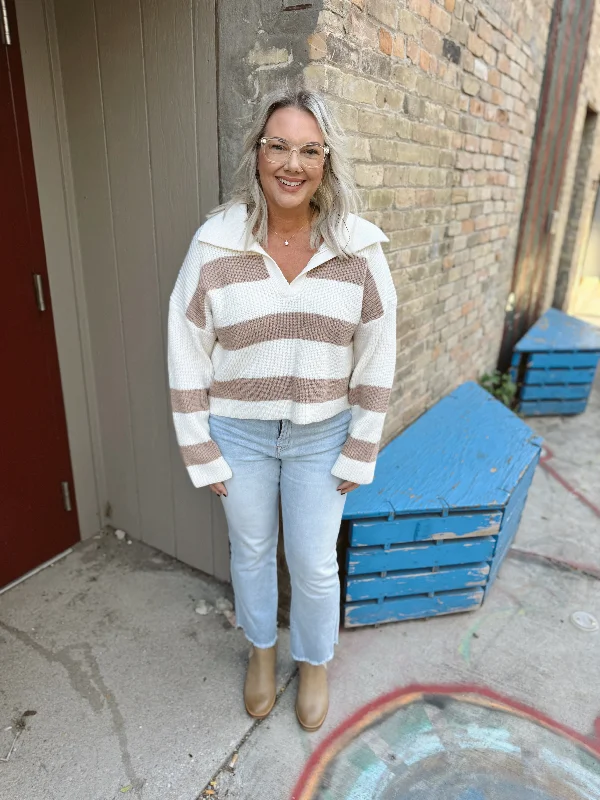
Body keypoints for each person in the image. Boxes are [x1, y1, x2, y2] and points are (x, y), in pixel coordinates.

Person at [168, 87, 397, 732]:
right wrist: (200, 447)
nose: (291, 164)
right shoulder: (216, 246)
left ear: (327, 161)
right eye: (279, 146)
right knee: (250, 553)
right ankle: (262, 655)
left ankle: (315, 660)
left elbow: (378, 354)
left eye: (308, 149)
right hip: (235, 435)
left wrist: (362, 444)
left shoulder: (358, 250)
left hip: (322, 438)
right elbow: (185, 348)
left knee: (315, 563)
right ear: (257, 153)